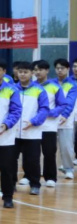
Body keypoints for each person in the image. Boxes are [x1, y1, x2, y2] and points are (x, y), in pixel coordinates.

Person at [0, 58, 22, 209]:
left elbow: (16, 111)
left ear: (4, 72)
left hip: (5, 134)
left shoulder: (11, 89)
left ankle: (8, 196)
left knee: (6, 168)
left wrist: (6, 124)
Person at [13, 61, 50, 195]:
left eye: (25, 72)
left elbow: (44, 109)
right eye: (20, 72)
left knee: (33, 160)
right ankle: (11, 184)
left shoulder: (39, 90)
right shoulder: (12, 89)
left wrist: (34, 121)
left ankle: (35, 184)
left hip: (32, 132)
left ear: (31, 73)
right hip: (12, 132)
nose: (22, 74)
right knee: (10, 160)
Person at [34, 60, 66, 188]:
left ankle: (50, 177)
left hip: (49, 126)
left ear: (47, 70)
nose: (38, 72)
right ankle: (31, 177)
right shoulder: (31, 86)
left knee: (49, 152)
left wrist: (49, 113)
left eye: (40, 69)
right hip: (33, 126)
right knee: (32, 154)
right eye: (35, 70)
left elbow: (62, 104)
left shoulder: (55, 86)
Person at [55, 58, 77, 180]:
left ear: (67, 69)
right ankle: (47, 168)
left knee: (67, 146)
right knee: (48, 147)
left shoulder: (71, 84)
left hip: (66, 118)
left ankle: (69, 168)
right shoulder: (51, 83)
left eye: (62, 68)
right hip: (50, 119)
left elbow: (70, 102)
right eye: (57, 68)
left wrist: (65, 115)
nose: (59, 70)